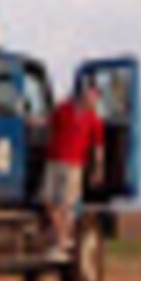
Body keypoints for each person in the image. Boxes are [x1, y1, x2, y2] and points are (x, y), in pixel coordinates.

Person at [40, 82, 105, 261]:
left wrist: (98, 169)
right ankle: (64, 239)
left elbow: (98, 148)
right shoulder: (63, 109)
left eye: (95, 98)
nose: (92, 100)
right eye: (90, 95)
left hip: (74, 166)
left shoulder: (94, 120)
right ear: (83, 94)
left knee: (66, 205)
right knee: (47, 200)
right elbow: (47, 122)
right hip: (54, 161)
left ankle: (61, 244)